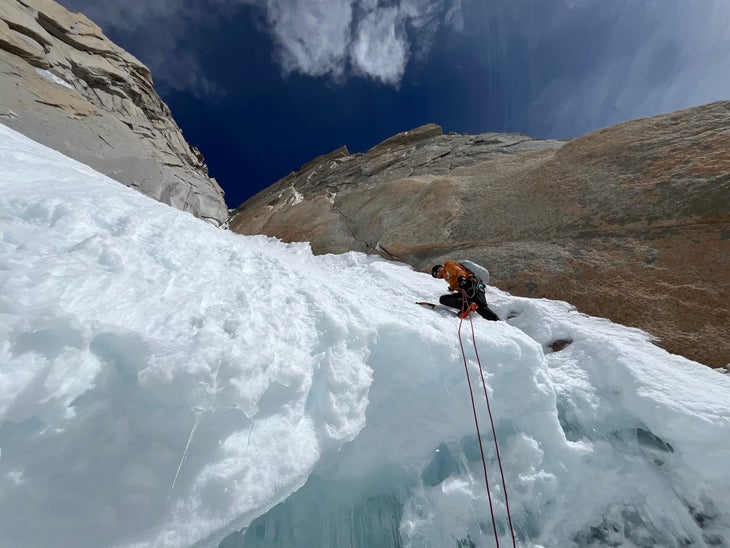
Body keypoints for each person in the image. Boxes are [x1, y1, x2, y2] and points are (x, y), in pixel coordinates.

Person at [431, 261, 500, 321]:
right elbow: (455, 282)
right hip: (465, 290)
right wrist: (452, 288)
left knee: (482, 308)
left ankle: (499, 324)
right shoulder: (448, 277)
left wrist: (462, 279)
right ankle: (468, 306)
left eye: (436, 274)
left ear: (439, 270)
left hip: (472, 286)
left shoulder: (448, 265)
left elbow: (459, 271)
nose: (438, 277)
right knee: (443, 299)